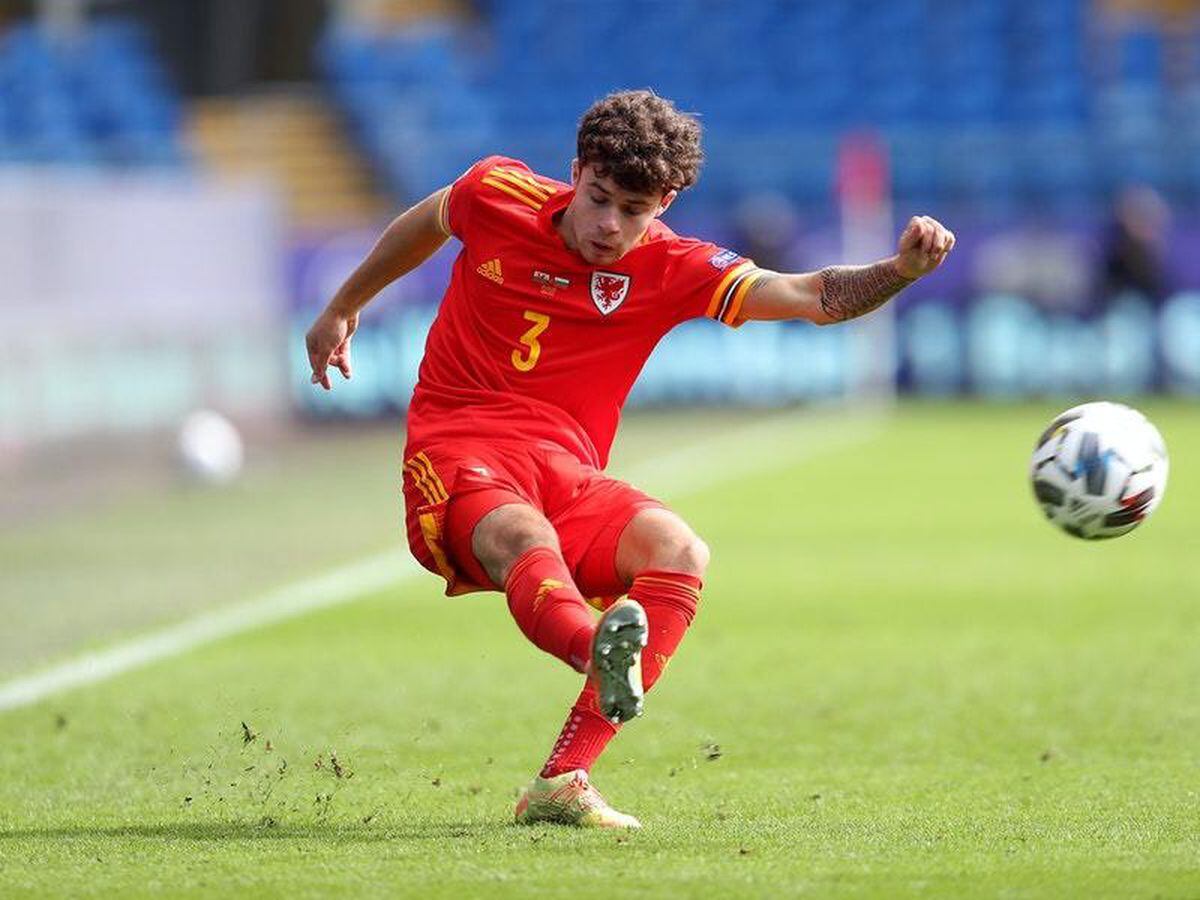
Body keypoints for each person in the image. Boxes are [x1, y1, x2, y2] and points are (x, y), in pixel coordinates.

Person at [306, 90, 954, 829]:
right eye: (599, 197)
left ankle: (563, 780)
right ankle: (596, 651)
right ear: (576, 171)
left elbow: (810, 294)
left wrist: (899, 269)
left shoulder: (676, 267)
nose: (609, 225)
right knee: (525, 538)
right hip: (460, 446)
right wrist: (342, 306)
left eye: (634, 209)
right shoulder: (497, 191)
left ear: (666, 202)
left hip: (567, 471)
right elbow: (428, 221)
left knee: (680, 550)